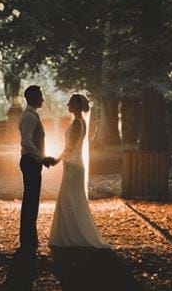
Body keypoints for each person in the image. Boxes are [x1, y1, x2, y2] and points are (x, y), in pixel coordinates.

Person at [48, 93, 109, 249]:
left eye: (69, 103)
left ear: (75, 106)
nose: (67, 105)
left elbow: (69, 148)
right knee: (72, 198)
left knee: (70, 199)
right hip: (74, 165)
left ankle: (73, 235)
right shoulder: (80, 122)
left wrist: (56, 160)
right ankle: (71, 233)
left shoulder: (77, 123)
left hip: (73, 166)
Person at [18, 85, 57, 251]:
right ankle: (28, 240)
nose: (42, 99)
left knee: (32, 200)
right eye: (40, 96)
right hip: (30, 161)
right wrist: (42, 158)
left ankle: (29, 238)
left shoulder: (32, 115)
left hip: (32, 161)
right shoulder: (29, 117)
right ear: (33, 98)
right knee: (31, 200)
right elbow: (26, 141)